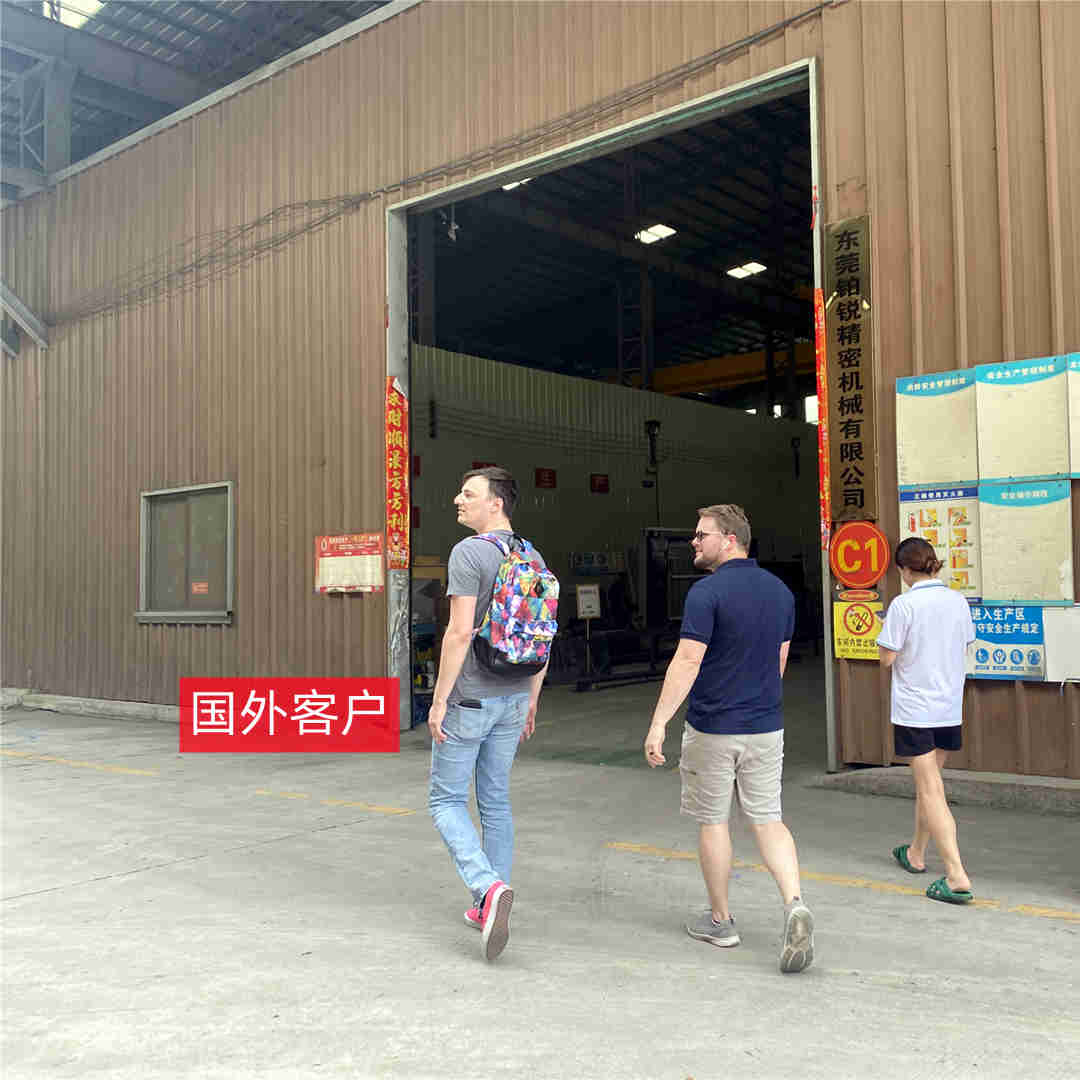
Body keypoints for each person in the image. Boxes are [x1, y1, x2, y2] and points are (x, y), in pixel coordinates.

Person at [643, 504, 814, 974]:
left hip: (714, 728)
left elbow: (687, 661)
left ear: (731, 539)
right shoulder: (780, 592)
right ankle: (794, 902)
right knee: (768, 819)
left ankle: (721, 921)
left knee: (713, 820)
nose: (694, 542)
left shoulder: (707, 592)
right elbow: (779, 661)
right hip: (766, 728)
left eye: (702, 535)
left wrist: (659, 723)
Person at [427, 466, 551, 962]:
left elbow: (459, 632)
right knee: (495, 801)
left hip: (472, 698)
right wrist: (532, 697)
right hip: (515, 697)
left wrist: (440, 699)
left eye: (468, 494)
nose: (458, 500)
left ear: (495, 503)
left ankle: (487, 887)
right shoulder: (533, 556)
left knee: (445, 800)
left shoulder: (468, 552)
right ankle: (489, 906)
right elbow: (543, 632)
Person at [877, 537, 976, 904]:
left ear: (904, 570)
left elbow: (887, 659)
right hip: (948, 707)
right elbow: (964, 643)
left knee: (931, 790)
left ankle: (956, 874)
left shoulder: (903, 605)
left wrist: (884, 632)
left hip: (916, 710)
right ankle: (916, 852)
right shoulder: (957, 600)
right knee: (929, 785)